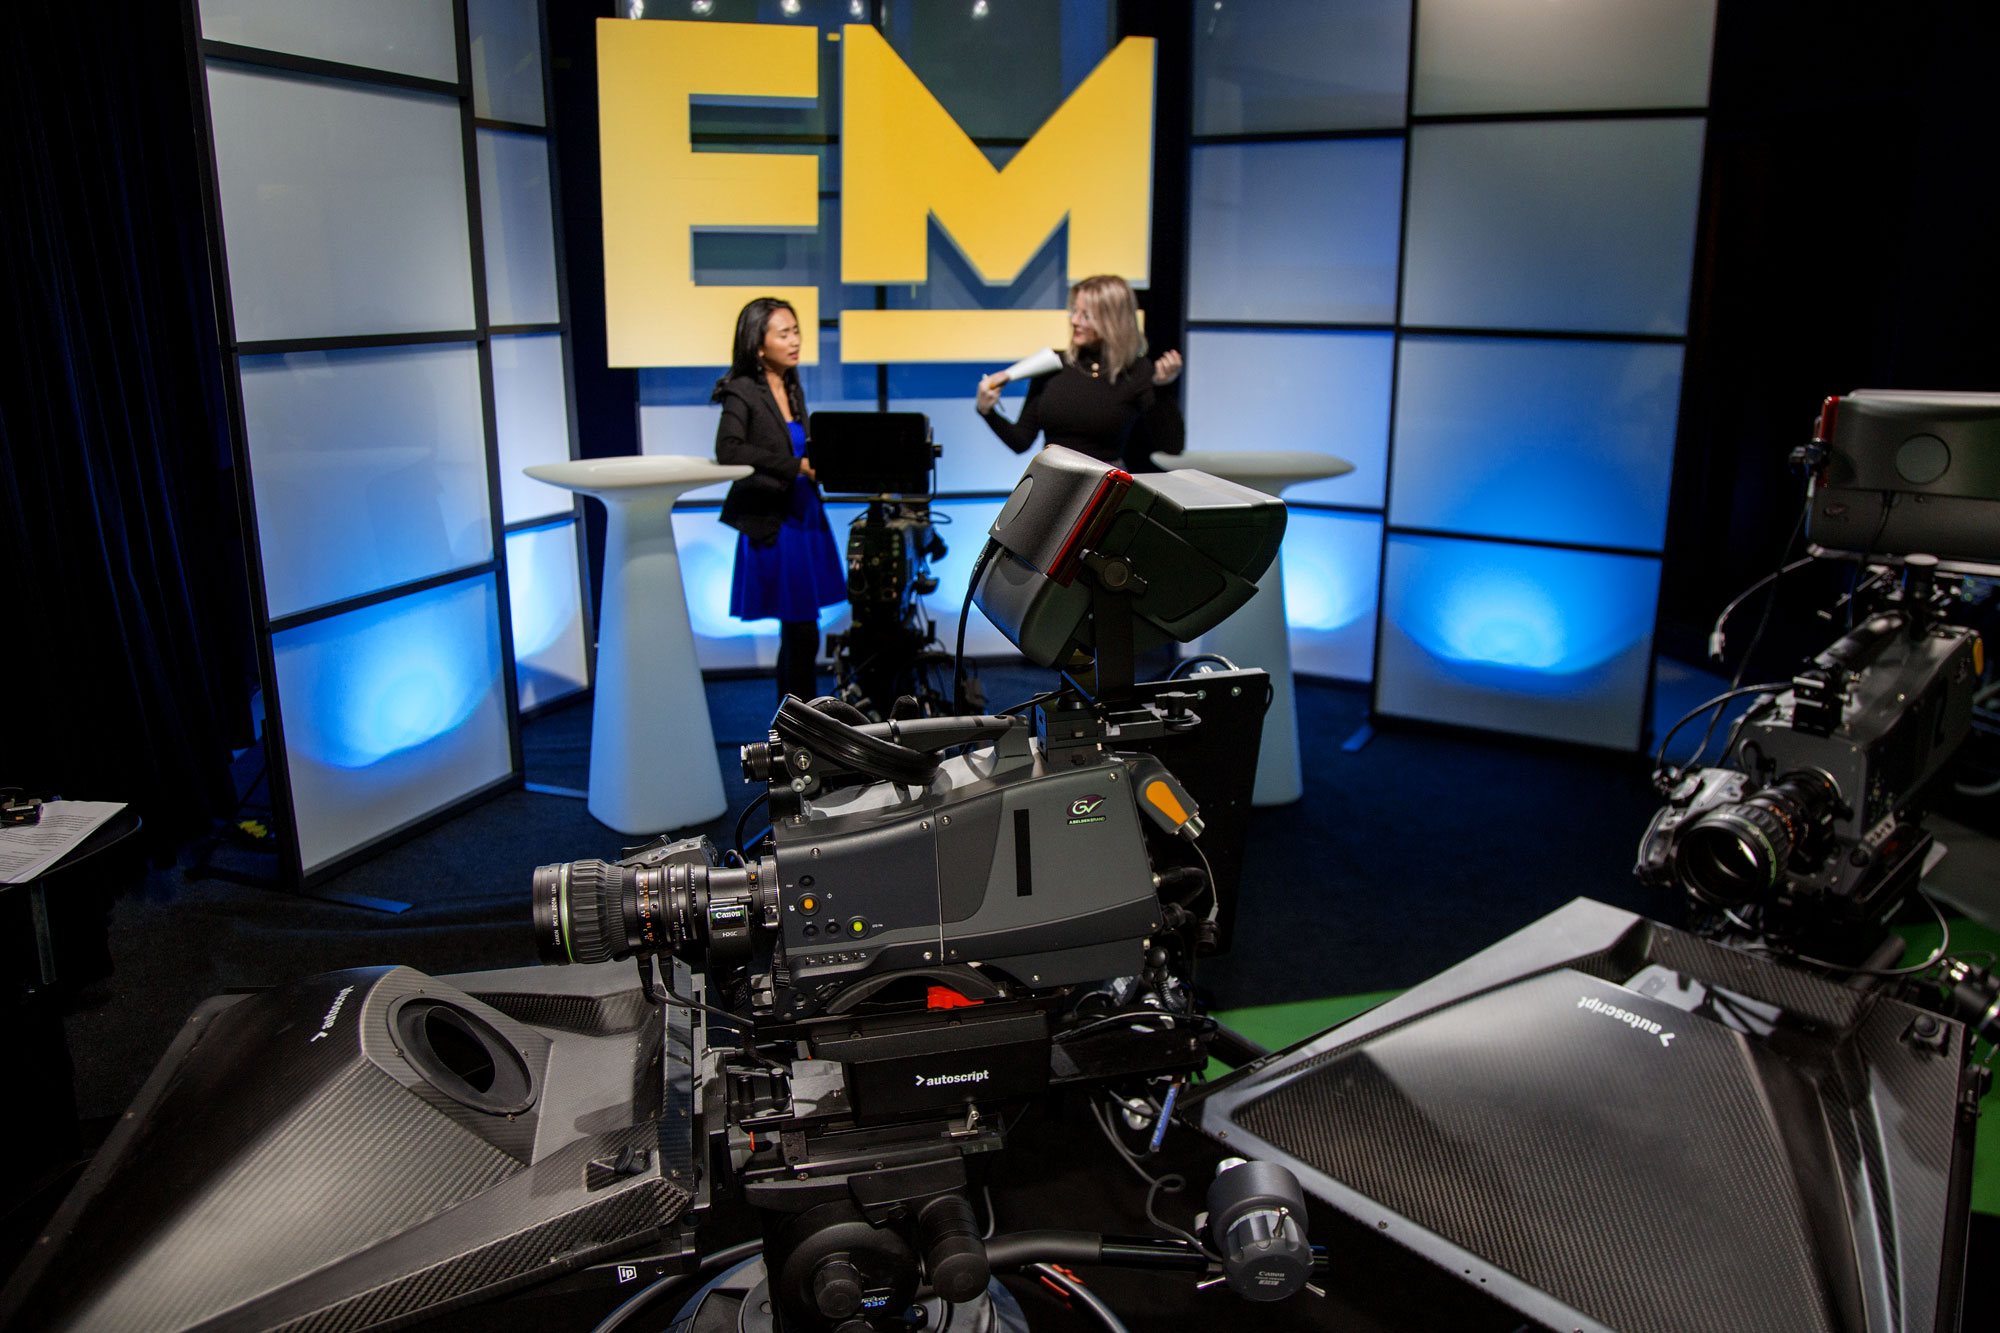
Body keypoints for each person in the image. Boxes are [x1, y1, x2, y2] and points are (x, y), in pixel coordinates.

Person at [714, 297, 845, 705]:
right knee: (802, 631)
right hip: (775, 521)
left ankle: (792, 721)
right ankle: (801, 725)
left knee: (799, 632)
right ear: (758, 344)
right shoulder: (741, 390)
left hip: (805, 515)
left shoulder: (791, 383)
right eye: (784, 333)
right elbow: (729, 450)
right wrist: (796, 466)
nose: (795, 341)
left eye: (796, 331)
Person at [973, 274, 1186, 470]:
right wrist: (987, 411)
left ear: (1113, 320)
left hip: (1105, 486)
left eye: (1086, 316)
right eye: (1074, 311)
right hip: (1052, 481)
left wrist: (1162, 388)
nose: (1074, 321)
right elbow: (1020, 441)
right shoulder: (1052, 364)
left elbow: (1172, 445)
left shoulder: (1136, 371)